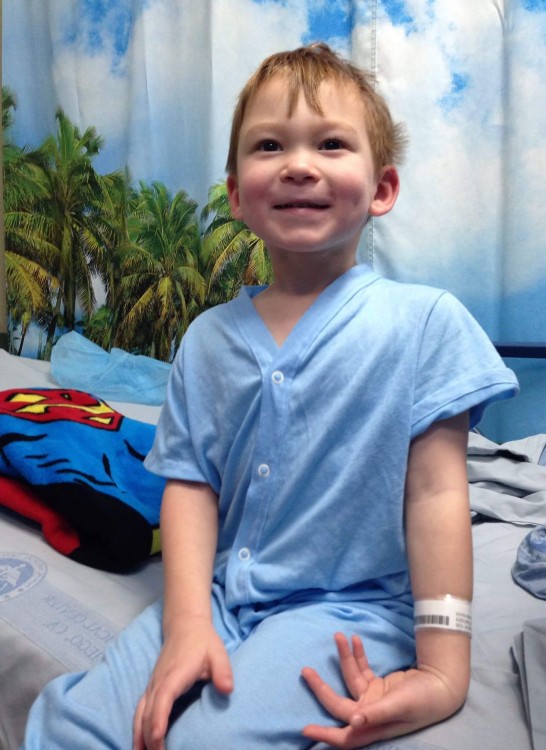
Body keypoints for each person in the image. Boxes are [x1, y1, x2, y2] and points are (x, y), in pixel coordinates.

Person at [21, 43, 518, 750]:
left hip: (346, 608)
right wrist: (188, 622)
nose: (298, 163)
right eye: (268, 145)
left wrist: (443, 669)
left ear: (381, 189)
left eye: (331, 143)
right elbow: (190, 486)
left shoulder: (424, 322)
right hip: (217, 596)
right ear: (235, 192)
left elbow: (436, 496)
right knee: (70, 724)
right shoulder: (207, 339)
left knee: (210, 741)